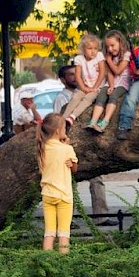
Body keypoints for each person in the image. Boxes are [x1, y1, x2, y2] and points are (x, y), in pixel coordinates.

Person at [53, 65, 118, 227]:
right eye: (70, 75)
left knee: (97, 178)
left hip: (87, 142)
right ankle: (68, 217)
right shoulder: (62, 98)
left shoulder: (88, 93)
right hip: (70, 142)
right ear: (62, 79)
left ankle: (101, 215)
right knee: (69, 181)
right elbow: (57, 121)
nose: (75, 77)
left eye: (77, 74)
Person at [37, 113, 79, 253]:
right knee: (64, 234)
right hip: (64, 196)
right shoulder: (67, 149)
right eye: (64, 128)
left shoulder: (42, 147)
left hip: (47, 195)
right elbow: (74, 169)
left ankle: (47, 263)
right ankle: (62, 267)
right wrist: (70, 160)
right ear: (57, 131)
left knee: (49, 233)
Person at [86, 30, 131, 133]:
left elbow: (118, 71)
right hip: (111, 81)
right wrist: (111, 85)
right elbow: (110, 73)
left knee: (113, 95)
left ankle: (105, 121)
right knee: (102, 95)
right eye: (107, 47)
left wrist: (109, 60)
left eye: (112, 45)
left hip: (123, 82)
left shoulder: (126, 54)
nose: (110, 49)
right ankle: (93, 121)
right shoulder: (110, 56)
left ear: (120, 42)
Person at [62, 34, 106, 126]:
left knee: (88, 99)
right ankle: (63, 118)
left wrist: (94, 88)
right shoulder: (79, 59)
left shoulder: (99, 56)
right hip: (84, 86)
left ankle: (73, 116)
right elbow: (78, 76)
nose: (93, 51)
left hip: (97, 87)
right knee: (75, 97)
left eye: (95, 48)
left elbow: (102, 73)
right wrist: (83, 88)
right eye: (90, 49)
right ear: (83, 49)